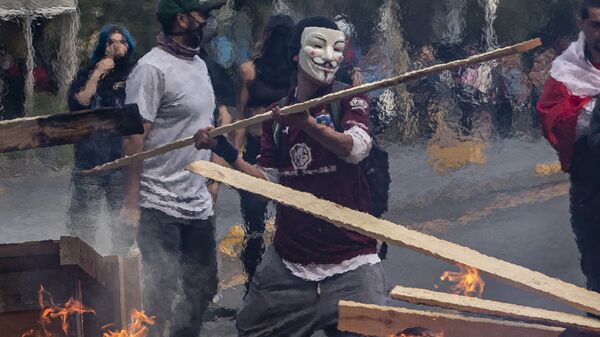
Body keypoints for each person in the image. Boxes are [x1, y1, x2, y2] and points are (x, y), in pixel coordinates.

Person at [195, 16, 387, 336]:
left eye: (337, 48)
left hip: (352, 265)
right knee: (250, 329)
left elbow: (355, 148)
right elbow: (268, 184)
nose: (328, 56)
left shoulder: (350, 98)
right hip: (289, 267)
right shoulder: (277, 116)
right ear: (296, 53)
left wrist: (308, 124)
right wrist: (225, 151)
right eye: (318, 45)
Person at [119, 0, 225, 336]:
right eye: (202, 16)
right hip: (158, 202)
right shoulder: (151, 69)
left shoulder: (199, 65)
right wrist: (131, 203)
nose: (208, 23)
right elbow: (134, 138)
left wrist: (212, 180)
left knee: (203, 288)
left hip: (196, 203)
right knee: (158, 296)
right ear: (181, 20)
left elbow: (208, 126)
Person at [537, 0, 600, 318]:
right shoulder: (566, 70)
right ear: (582, 25)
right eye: (596, 25)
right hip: (592, 187)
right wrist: (594, 109)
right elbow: (552, 119)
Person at [231, 14, 295, 287]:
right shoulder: (250, 70)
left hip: (289, 148)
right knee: (255, 224)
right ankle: (254, 284)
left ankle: (282, 282)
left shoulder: (299, 70)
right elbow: (241, 116)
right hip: (261, 150)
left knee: (284, 221)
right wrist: (233, 154)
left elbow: (240, 116)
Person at [66, 24, 136, 255]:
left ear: (129, 45)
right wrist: (97, 74)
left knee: (123, 226)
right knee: (83, 226)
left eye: (121, 41)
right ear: (102, 46)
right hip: (89, 162)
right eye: (111, 42)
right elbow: (79, 103)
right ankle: (81, 274)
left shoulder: (136, 73)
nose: (116, 46)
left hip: (121, 162)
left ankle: (121, 271)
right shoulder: (87, 73)